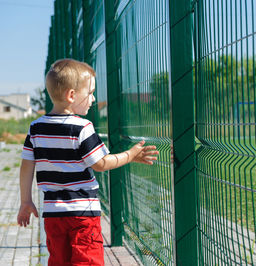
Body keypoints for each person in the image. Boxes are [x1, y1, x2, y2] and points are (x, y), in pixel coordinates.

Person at [17, 58, 159, 265]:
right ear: (72, 95)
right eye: (90, 93)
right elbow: (100, 163)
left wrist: (26, 201)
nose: (93, 99)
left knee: (59, 261)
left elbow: (26, 166)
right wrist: (130, 155)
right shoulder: (82, 127)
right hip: (83, 213)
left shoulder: (36, 128)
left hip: (53, 213)